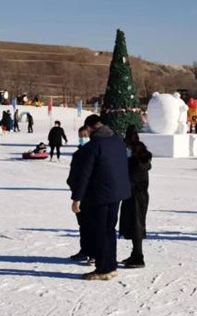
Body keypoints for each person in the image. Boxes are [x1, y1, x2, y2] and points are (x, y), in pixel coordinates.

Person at [67, 114, 131, 281]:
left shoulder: (94, 146)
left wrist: (77, 198)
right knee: (109, 230)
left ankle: (103, 268)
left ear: (90, 127)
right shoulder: (118, 141)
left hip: (100, 195)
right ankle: (111, 266)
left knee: (100, 232)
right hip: (116, 194)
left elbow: (84, 175)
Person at [119, 125, 152, 268]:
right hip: (136, 195)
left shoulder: (136, 162)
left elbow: (134, 179)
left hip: (136, 196)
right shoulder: (139, 158)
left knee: (136, 225)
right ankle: (135, 254)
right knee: (134, 224)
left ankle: (139, 257)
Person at [67, 126, 93, 264]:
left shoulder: (93, 153)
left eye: (84, 135)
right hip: (78, 192)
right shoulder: (78, 153)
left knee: (92, 225)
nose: (82, 138)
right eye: (80, 135)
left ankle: (93, 252)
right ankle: (84, 250)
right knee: (82, 224)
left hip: (90, 194)